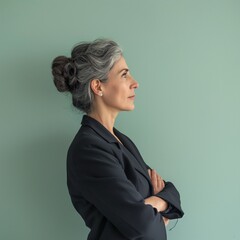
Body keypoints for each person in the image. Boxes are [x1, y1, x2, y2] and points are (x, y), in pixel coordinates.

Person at [51, 39, 184, 240]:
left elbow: (171, 193)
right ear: (98, 86)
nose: (135, 83)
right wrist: (159, 208)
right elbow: (144, 227)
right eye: (124, 74)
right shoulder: (88, 149)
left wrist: (158, 204)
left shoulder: (121, 141)